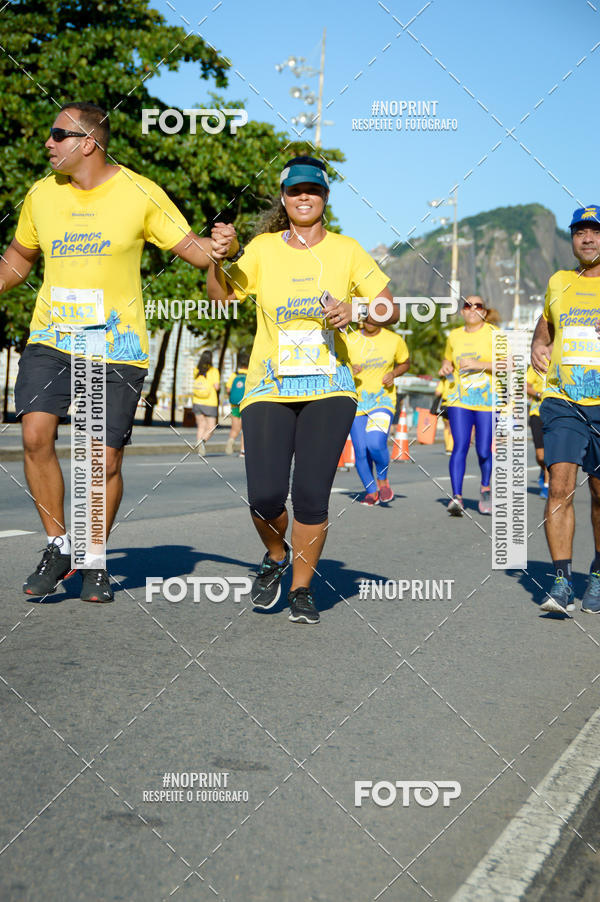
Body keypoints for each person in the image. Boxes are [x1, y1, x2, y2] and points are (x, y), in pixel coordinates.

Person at [0, 102, 236, 603]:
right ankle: (59, 544)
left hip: (114, 345)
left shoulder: (140, 191)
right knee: (36, 434)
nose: (48, 142)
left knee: (101, 462)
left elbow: (196, 253)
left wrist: (223, 251)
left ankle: (94, 557)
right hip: (53, 337)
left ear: (88, 142)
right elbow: (18, 260)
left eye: (58, 134)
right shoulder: (42, 194)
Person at [207, 154, 397, 623]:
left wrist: (358, 310)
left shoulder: (347, 249)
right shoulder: (263, 248)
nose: (304, 196)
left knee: (311, 494)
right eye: (295, 190)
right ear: (284, 197)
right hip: (269, 388)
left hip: (330, 388)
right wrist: (218, 258)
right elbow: (222, 296)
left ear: (325, 197)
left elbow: (388, 308)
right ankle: (276, 554)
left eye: (313, 189)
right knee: (266, 496)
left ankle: (301, 589)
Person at [531, 204, 600, 615]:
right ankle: (560, 581)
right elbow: (547, 324)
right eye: (580, 233)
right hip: (562, 400)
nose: (588, 239)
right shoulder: (558, 281)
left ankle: (598, 575)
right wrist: (539, 343)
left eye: (594, 232)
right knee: (560, 484)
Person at [439, 295, 498, 517]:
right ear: (462, 311)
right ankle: (457, 497)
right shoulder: (454, 336)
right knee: (460, 445)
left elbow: (510, 363)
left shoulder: (494, 334)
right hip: (459, 399)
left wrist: (478, 364)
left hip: (487, 400)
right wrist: (446, 367)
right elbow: (448, 360)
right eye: (467, 306)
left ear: (485, 311)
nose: (472, 309)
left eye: (478, 306)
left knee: (483, 449)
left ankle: (485, 488)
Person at [346, 322, 410, 504]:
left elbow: (405, 363)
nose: (371, 321)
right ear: (361, 319)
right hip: (355, 402)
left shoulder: (394, 340)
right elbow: (335, 365)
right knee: (360, 450)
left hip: (383, 400)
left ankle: (383, 479)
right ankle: (371, 490)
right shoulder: (350, 339)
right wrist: (348, 369)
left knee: (374, 442)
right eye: (367, 317)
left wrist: (394, 373)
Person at [526, 364, 548, 499]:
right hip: (537, 413)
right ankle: (543, 469)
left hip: (556, 415)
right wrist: (540, 394)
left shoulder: (562, 361)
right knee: (540, 456)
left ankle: (547, 485)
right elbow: (525, 386)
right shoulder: (538, 362)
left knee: (550, 453)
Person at [192, 349, 220, 454]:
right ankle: (203, 441)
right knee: (211, 427)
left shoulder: (196, 370)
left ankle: (199, 446)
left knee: (201, 426)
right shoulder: (214, 371)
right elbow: (216, 387)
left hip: (197, 402)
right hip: (210, 403)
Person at [224, 350, 249, 456]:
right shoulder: (251, 374)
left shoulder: (234, 375)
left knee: (235, 428)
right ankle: (243, 451)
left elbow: (228, 389)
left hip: (234, 405)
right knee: (245, 428)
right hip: (246, 404)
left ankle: (231, 440)